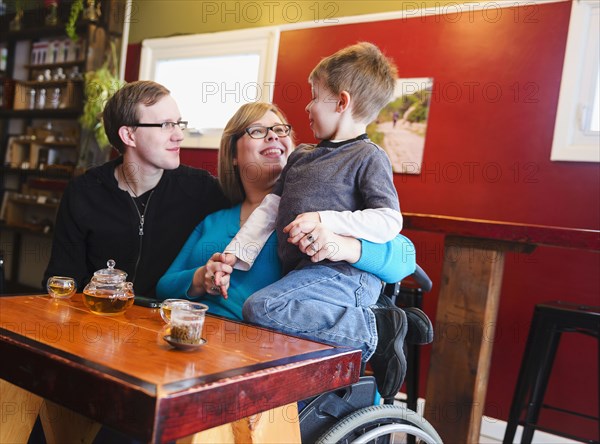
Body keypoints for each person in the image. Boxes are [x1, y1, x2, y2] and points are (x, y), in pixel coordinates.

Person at [218, 42, 411, 398]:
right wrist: (236, 253)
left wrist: (327, 220)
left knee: (262, 307)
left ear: (341, 102)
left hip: (345, 276)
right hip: (305, 276)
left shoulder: (368, 157)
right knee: (274, 320)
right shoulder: (303, 156)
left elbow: (388, 221)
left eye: (314, 96)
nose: (307, 105)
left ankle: (377, 330)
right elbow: (271, 209)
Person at [156, 102, 416, 323]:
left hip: (267, 350)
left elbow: (405, 257)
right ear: (233, 153)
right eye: (258, 130)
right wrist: (201, 278)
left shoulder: (315, 213)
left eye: (280, 130)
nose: (273, 136)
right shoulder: (213, 221)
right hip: (199, 337)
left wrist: (342, 246)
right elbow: (163, 288)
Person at [43, 80, 227, 298]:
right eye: (166, 125)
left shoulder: (202, 189)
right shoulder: (84, 191)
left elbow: (252, 207)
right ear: (129, 135)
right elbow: (62, 279)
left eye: (179, 123)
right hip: (98, 318)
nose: (179, 135)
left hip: (168, 323)